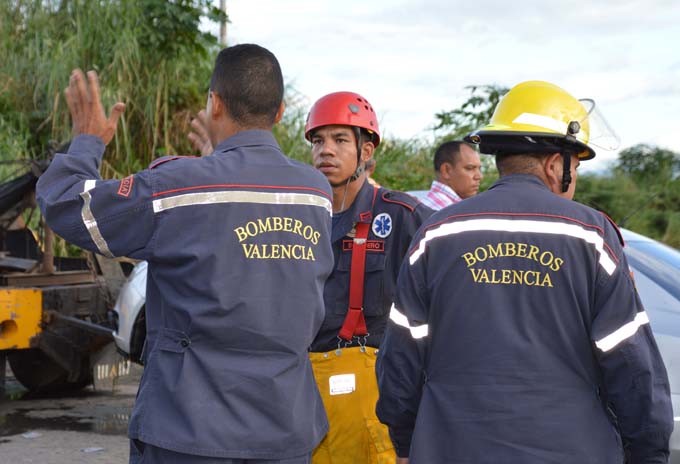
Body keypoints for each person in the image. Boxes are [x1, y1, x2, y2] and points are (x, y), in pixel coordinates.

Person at [36, 44, 334, 464]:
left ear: (214, 103)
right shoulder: (315, 193)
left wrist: (86, 143)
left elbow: (67, 205)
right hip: (286, 429)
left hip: (188, 430)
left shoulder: (176, 186)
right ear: (281, 111)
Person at [376, 80, 673, 463]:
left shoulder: (436, 234)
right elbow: (633, 369)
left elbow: (399, 364)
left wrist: (408, 442)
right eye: (576, 167)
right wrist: (648, 453)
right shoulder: (592, 237)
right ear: (555, 164)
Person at [304, 91, 433, 464]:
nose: (325, 151)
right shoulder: (304, 216)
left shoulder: (402, 215)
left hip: (374, 399)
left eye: (340, 139)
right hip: (305, 393)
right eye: (318, 140)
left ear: (366, 151)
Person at [421, 140, 482, 210]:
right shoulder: (444, 211)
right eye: (470, 168)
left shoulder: (439, 206)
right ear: (446, 171)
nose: (479, 176)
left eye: (479, 169)